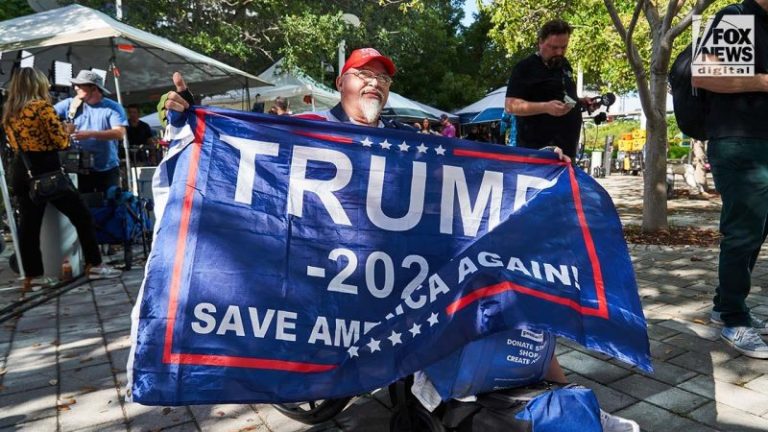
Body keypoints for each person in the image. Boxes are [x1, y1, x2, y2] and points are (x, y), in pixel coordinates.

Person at [691, 0, 768, 359]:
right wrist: (764, 81)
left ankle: (726, 306)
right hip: (740, 142)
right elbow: (705, 74)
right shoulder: (739, 18)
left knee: (757, 230)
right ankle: (734, 320)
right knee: (743, 232)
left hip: (761, 141)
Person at [2, 68, 121, 290]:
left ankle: (33, 277)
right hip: (46, 169)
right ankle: (95, 264)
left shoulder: (10, 111)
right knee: (82, 215)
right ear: (37, 84)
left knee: (29, 225)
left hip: (21, 169)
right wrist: (67, 129)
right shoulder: (41, 107)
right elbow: (61, 142)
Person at [504, 19, 597, 159]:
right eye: (554, 47)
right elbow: (510, 106)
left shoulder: (564, 65)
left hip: (568, 151)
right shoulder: (525, 67)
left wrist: (581, 102)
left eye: (564, 47)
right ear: (540, 42)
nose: (559, 52)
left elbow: (562, 96)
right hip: (538, 153)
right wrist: (545, 107)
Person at [54, 70, 127, 193]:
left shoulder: (113, 107)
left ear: (93, 88)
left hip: (107, 170)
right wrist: (62, 128)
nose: (75, 88)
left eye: (80, 85)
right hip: (77, 169)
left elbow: (119, 133)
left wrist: (90, 134)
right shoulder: (70, 104)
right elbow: (45, 117)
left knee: (109, 202)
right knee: (82, 203)